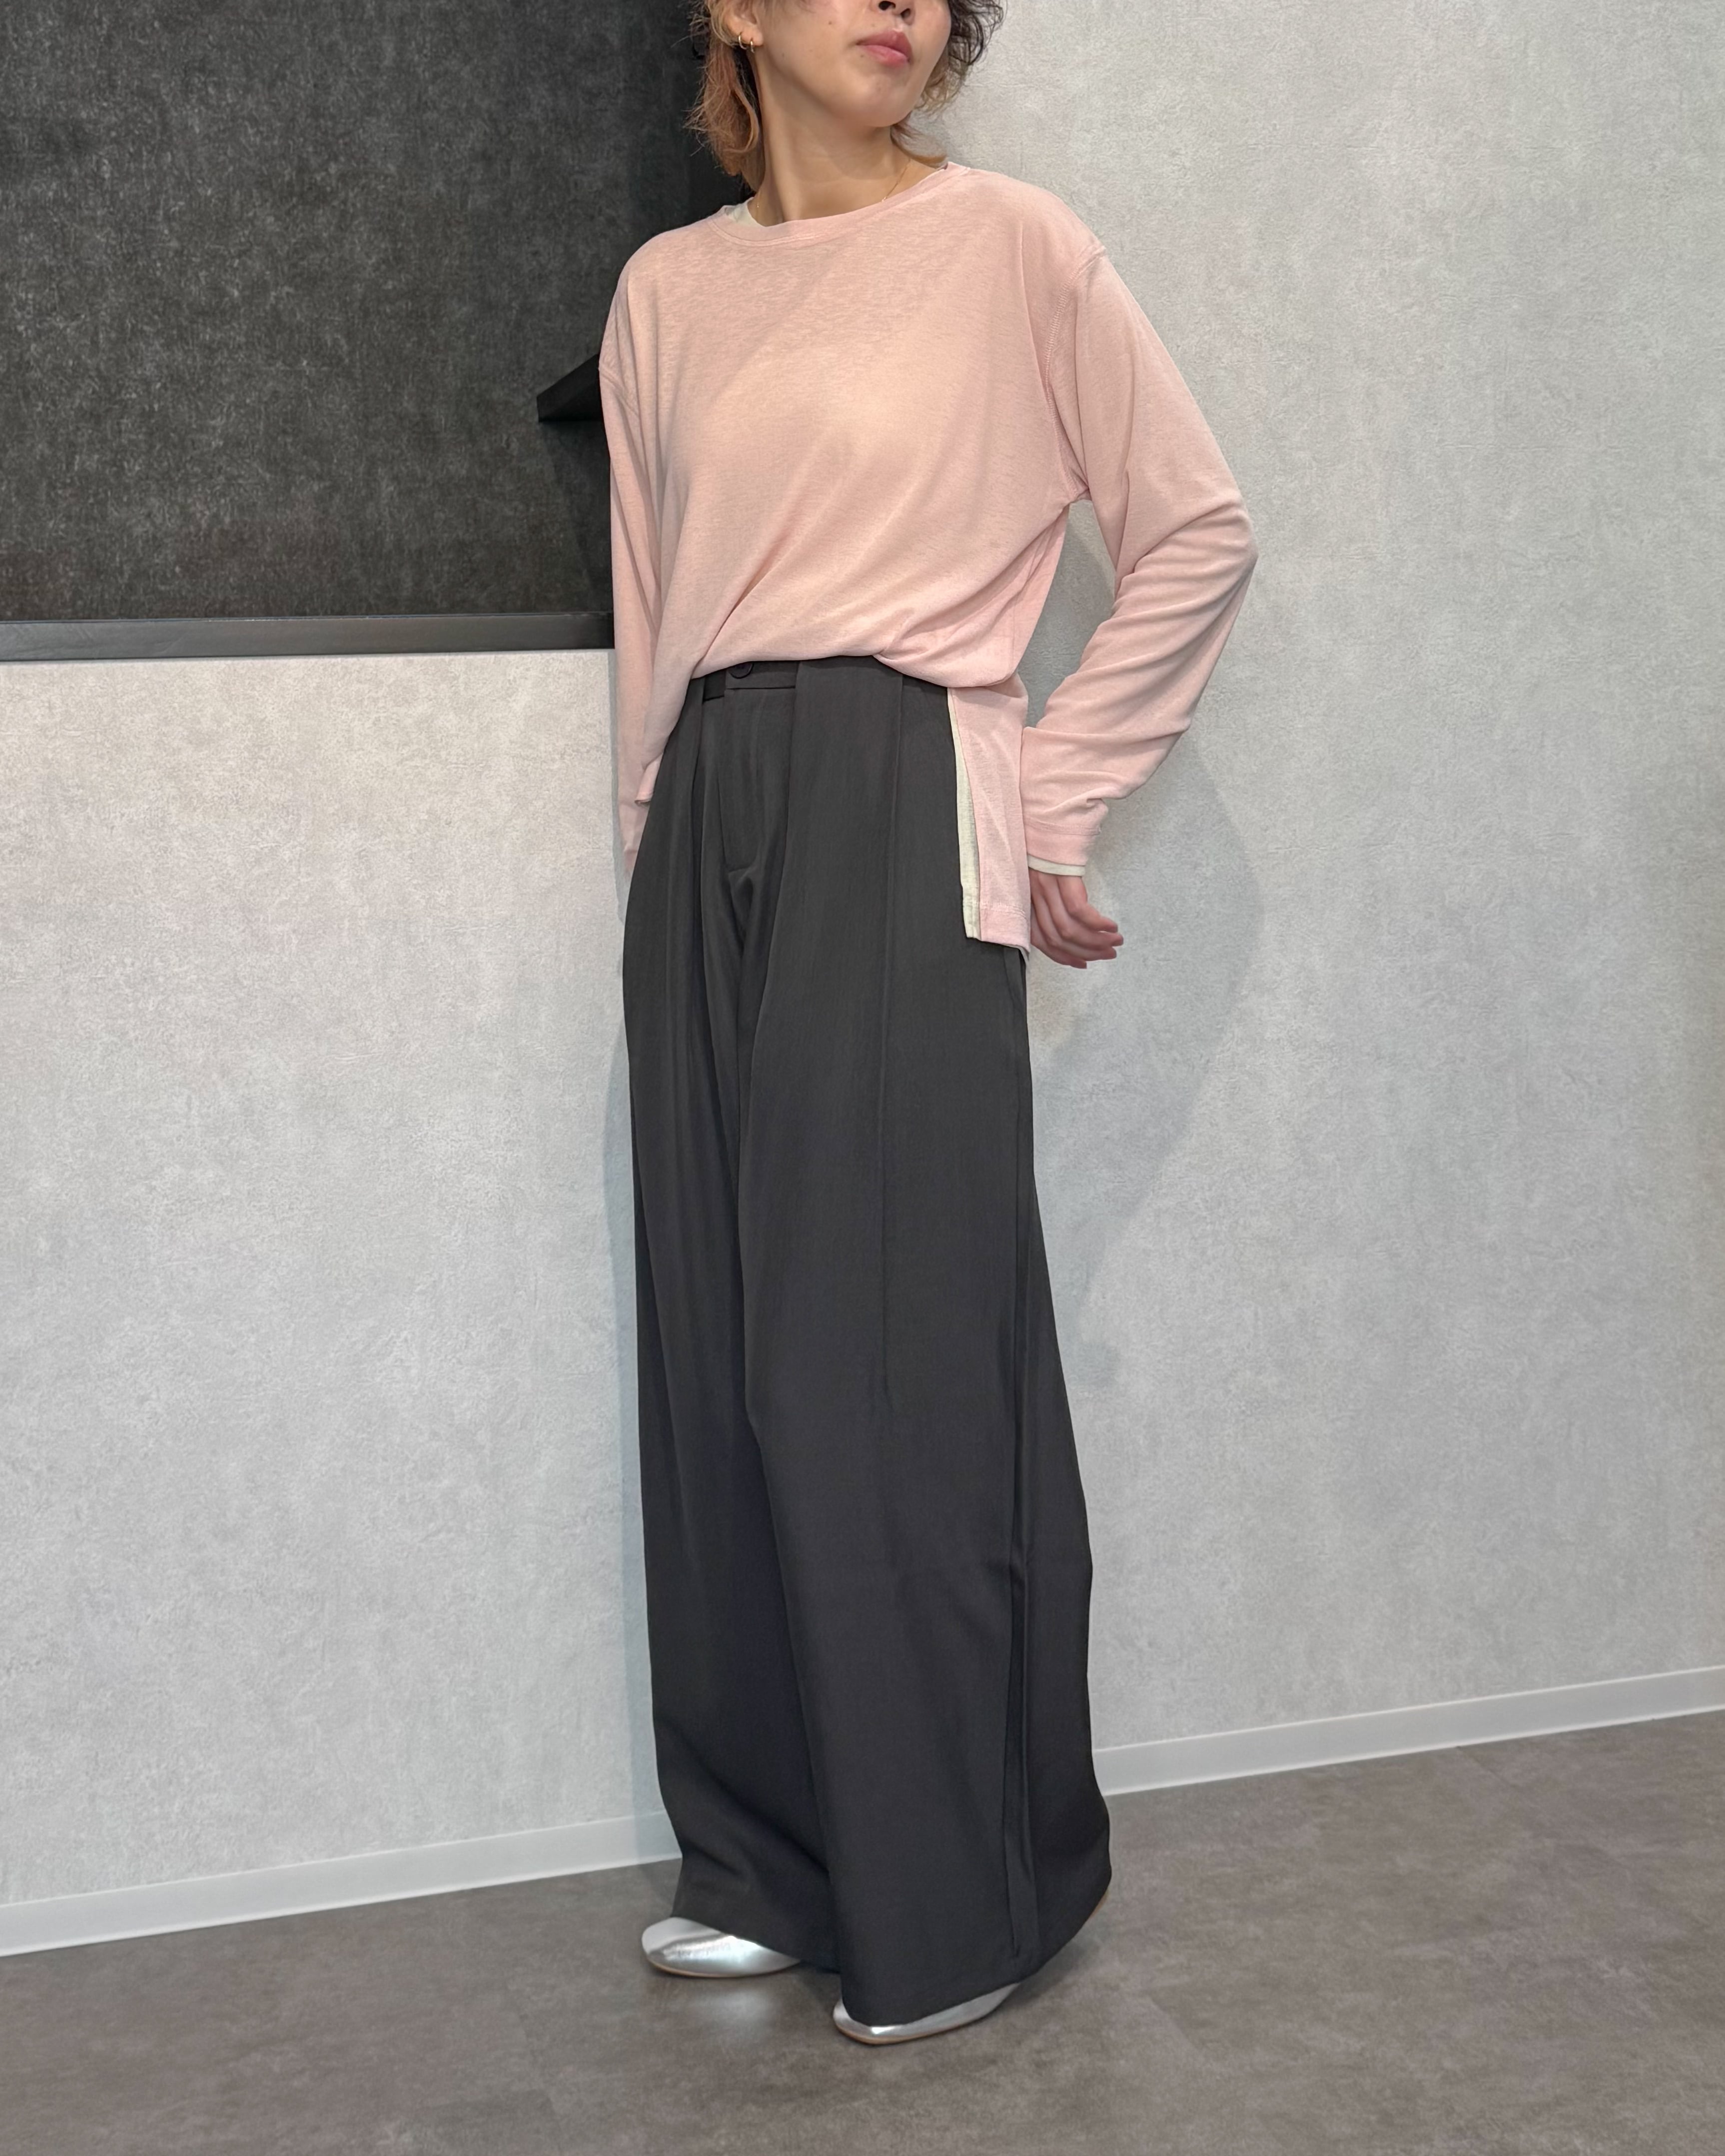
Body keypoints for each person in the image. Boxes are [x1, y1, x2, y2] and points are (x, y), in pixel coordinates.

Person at [598, 0, 1257, 2046]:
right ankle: (764, 1862)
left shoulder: (1011, 249)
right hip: (707, 809)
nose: (895, 0)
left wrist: (1048, 798)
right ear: (733, 9)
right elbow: (652, 612)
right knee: (721, 1356)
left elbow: (1195, 528)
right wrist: (644, 875)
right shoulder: (664, 292)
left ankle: (952, 1897)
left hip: (902, 787)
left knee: (880, 1357)